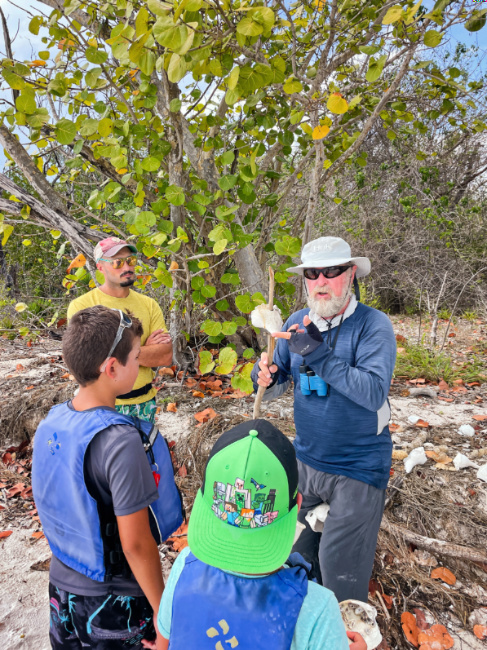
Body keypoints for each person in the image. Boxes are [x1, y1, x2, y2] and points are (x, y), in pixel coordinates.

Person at [251, 236, 396, 603]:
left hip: (358, 468)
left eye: (331, 272)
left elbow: (373, 392)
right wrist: (263, 378)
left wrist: (321, 356)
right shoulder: (297, 322)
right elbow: (278, 382)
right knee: (291, 557)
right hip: (306, 462)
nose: (321, 281)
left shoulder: (373, 326)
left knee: (339, 573)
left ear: (350, 275)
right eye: (312, 273)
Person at [32, 306, 183, 649]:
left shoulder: (53, 420)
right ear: (112, 368)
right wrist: (164, 622)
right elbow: (136, 544)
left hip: (61, 590)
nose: (141, 364)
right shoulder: (120, 440)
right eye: (135, 358)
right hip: (113, 603)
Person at [154, 418, 366, 650]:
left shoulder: (185, 566)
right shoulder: (317, 609)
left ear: (204, 499)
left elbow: (165, 643)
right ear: (298, 503)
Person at [67, 236, 172, 423]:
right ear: (100, 267)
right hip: (99, 407)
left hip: (145, 403)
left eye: (130, 261)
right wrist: (142, 351)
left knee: (143, 451)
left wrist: (113, 352)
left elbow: (164, 356)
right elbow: (87, 360)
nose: (126, 268)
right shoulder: (81, 306)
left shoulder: (149, 305)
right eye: (117, 262)